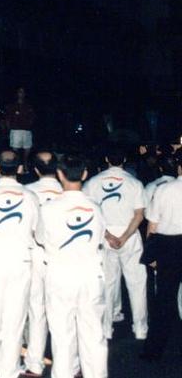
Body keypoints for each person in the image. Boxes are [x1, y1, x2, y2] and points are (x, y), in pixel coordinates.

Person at [34, 153, 108, 378]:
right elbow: (100, 238)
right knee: (94, 334)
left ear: (59, 174)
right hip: (90, 275)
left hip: (60, 276)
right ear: (85, 174)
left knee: (62, 336)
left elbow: (39, 238)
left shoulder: (48, 209)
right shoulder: (96, 207)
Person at [0, 150, 40, 378]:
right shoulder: (31, 196)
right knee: (15, 318)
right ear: (20, 169)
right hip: (20, 259)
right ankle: (9, 370)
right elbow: (35, 230)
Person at [85, 146, 148, 340]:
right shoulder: (134, 183)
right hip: (129, 235)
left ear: (106, 159)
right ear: (125, 160)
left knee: (107, 284)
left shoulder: (93, 183)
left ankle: (106, 329)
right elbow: (139, 215)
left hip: (105, 236)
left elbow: (90, 214)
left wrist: (109, 236)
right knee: (137, 284)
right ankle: (140, 329)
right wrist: (125, 236)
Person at [23, 151, 66, 378]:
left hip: (36, 256)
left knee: (36, 310)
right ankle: (68, 364)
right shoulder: (67, 190)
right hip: (62, 257)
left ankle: (35, 364)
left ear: (35, 169)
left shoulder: (27, 192)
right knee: (63, 312)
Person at [140, 151, 182, 361]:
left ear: (178, 166)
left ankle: (154, 350)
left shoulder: (164, 190)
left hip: (169, 245)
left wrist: (152, 254)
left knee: (164, 298)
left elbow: (153, 225)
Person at [3, 86, 36, 160]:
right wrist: (8, 129)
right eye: (20, 92)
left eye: (23, 92)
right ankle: (17, 164)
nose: (21, 94)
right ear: (17, 93)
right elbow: (8, 118)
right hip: (15, 130)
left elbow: (32, 117)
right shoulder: (12, 105)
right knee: (15, 149)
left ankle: (25, 164)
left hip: (27, 130)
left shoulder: (28, 105)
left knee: (28, 148)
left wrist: (30, 124)